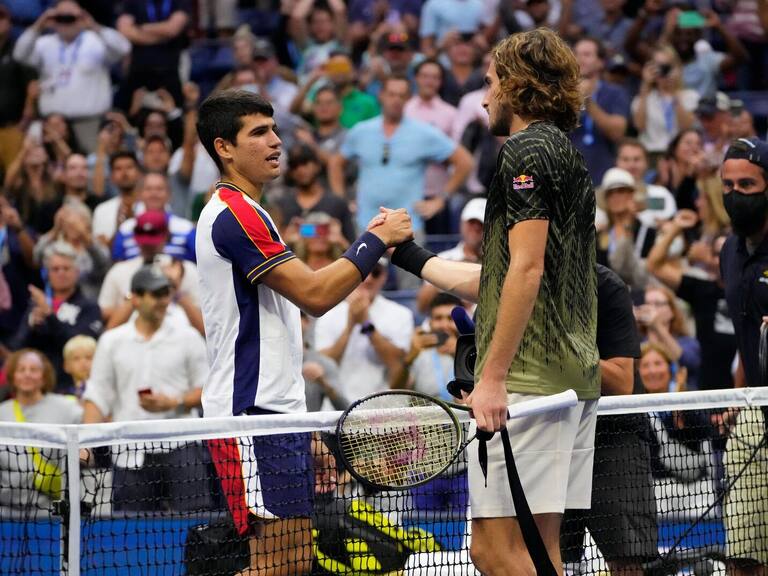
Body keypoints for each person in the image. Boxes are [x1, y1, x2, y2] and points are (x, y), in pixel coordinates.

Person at [383, 28, 599, 575]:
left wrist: (494, 375)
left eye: (490, 82)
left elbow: (526, 269)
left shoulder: (523, 151)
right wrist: (406, 255)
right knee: (539, 550)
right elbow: (503, 276)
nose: (483, 97)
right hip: (569, 374)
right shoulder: (565, 154)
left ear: (517, 85)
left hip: (526, 379)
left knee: (493, 551)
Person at [194, 89, 413, 576]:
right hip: (247, 413)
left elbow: (282, 327)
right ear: (223, 147)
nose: (276, 142)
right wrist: (376, 238)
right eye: (258, 133)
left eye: (274, 130)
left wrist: (302, 420)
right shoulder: (235, 215)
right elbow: (314, 294)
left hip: (276, 410)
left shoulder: (254, 210)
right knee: (276, 566)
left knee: (291, 563)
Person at [82, 265, 214, 512]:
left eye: (165, 293)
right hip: (130, 452)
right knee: (131, 536)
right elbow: (97, 395)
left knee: (197, 527)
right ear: (136, 297)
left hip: (182, 446)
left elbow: (208, 389)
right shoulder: (112, 342)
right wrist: (85, 444)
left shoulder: (189, 337)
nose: (162, 300)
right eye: (155, 294)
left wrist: (174, 402)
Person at [560, 264, 658, 576]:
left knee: (626, 562)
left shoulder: (605, 286)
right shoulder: (509, 284)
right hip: (549, 434)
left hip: (614, 434)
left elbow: (621, 382)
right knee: (547, 557)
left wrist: (556, 342)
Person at [718, 137, 768, 576]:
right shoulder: (728, 253)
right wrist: (740, 396)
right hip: (756, 412)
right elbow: (744, 333)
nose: (736, 194)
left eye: (747, 185)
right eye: (728, 185)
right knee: (744, 553)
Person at [12, 1, 131, 152]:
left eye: (71, 18)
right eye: (60, 18)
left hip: (89, 122)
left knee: (92, 164)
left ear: (82, 17)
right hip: (54, 122)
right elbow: (19, 54)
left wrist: (94, 26)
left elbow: (124, 47)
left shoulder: (95, 40)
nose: (66, 23)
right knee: (56, 167)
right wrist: (39, 25)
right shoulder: (44, 43)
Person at [0, 348, 82, 508]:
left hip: (53, 510)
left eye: (34, 369)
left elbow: (87, 447)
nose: (27, 374)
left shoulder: (68, 408)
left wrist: (84, 455)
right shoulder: (1, 412)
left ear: (44, 377)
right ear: (12, 376)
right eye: (21, 369)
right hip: (6, 510)